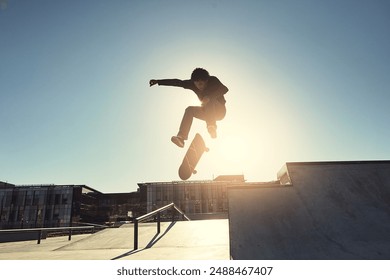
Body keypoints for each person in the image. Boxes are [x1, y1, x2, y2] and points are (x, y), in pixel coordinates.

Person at [150, 68, 228, 148]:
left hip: (219, 111)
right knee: (189, 110)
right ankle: (181, 138)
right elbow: (177, 82)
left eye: (203, 83)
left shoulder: (213, 80)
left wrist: (210, 97)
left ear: (207, 81)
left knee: (208, 99)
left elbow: (225, 89)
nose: (200, 86)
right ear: (194, 82)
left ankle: (212, 127)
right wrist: (158, 81)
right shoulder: (191, 83)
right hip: (207, 112)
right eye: (198, 84)